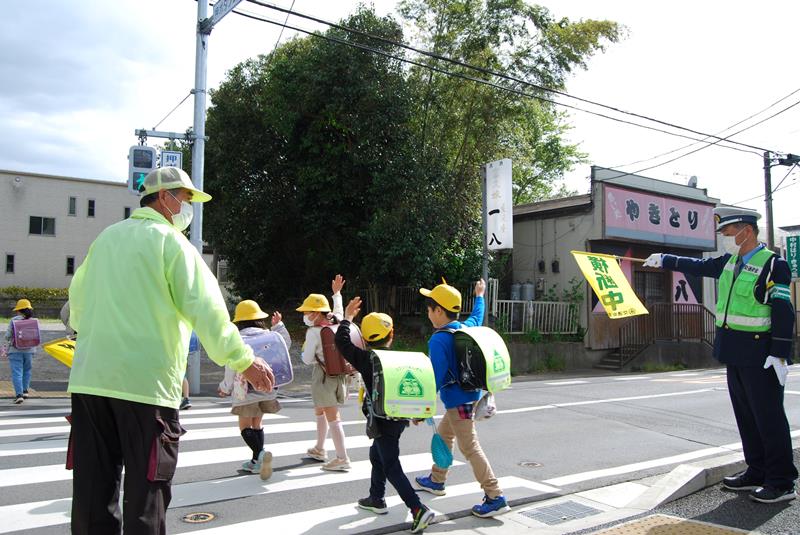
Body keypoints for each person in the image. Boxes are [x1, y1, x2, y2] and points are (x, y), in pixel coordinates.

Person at [67, 166, 275, 534]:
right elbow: (207, 312)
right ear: (165, 197)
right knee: (147, 496)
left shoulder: (106, 239)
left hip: (90, 383)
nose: (188, 207)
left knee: (91, 494)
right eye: (186, 199)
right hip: (145, 388)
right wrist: (244, 360)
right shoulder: (173, 245)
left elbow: (78, 307)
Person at [643, 206, 797, 503]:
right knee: (746, 417)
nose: (725, 238)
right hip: (733, 351)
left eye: (728, 233)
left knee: (769, 418)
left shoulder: (773, 265)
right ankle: (757, 470)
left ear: (746, 231)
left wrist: (779, 353)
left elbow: (783, 309)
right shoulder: (730, 262)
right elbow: (698, 266)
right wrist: (665, 260)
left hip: (760, 354)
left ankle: (781, 481)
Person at [335, 297, 435, 534]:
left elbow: (341, 342)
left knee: (390, 464)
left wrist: (348, 318)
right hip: (398, 419)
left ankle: (417, 508)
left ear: (366, 339)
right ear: (392, 335)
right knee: (377, 455)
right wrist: (418, 414)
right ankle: (376, 498)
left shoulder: (366, 358)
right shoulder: (399, 358)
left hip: (380, 421)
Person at [415, 279, 511, 518]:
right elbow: (477, 317)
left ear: (439, 311)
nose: (428, 314)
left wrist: (421, 408)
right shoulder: (464, 329)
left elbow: (434, 378)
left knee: (470, 448)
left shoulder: (438, 339)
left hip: (458, 403)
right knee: (445, 434)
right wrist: (480, 296)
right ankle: (437, 479)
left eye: (429, 309)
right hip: (469, 398)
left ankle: (494, 495)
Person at [218, 300, 290, 480]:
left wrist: (225, 387)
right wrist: (278, 326)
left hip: (246, 390)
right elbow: (285, 345)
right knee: (257, 424)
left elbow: (231, 367)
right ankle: (255, 461)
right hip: (268, 388)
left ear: (239, 321)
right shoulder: (268, 335)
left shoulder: (238, 339)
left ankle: (260, 454)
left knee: (244, 426)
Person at [298, 274, 351, 471]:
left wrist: (306, 350)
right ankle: (320, 448)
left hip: (322, 376)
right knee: (320, 410)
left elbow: (307, 359)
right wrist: (337, 293)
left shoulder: (313, 332)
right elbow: (339, 310)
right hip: (340, 374)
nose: (304, 315)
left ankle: (342, 458)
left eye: (307, 312)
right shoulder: (337, 322)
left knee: (332, 416)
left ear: (316, 313)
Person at [4, 299, 39, 404]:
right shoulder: (34, 320)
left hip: (15, 350)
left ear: (19, 310)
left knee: (17, 372)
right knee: (27, 370)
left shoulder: (14, 320)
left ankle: (19, 394)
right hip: (30, 350)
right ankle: (25, 391)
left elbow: (7, 336)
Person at [181, 332, 199, 410]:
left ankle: (183, 399)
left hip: (179, 350)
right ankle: (186, 398)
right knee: (182, 375)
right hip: (190, 349)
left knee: (180, 374)